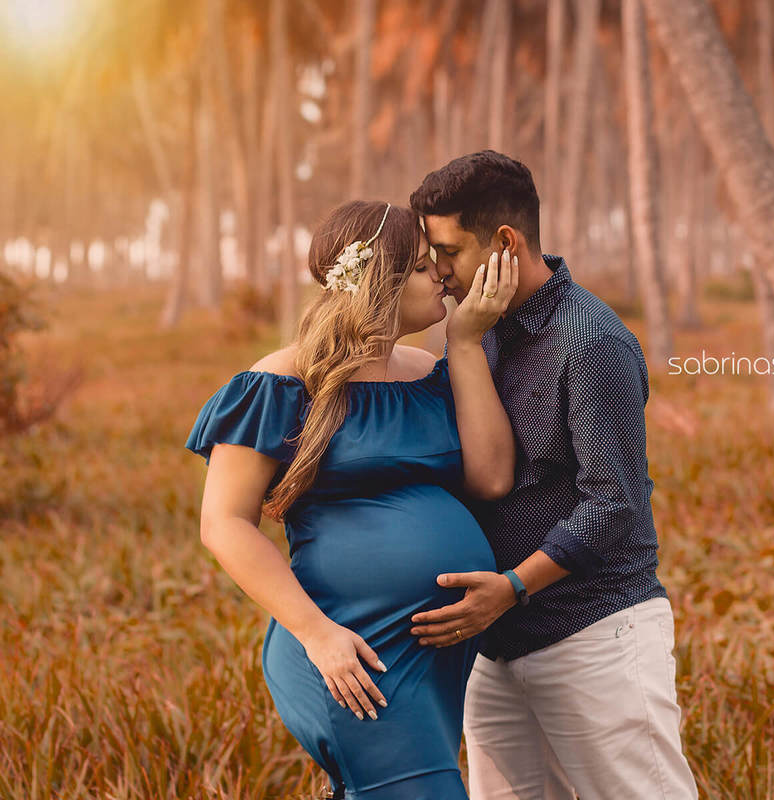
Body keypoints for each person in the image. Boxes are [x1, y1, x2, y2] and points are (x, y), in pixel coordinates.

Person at [183, 199, 518, 799]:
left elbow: (491, 478)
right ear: (374, 282)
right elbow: (224, 524)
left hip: (431, 654)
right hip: (348, 648)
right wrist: (318, 634)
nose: (442, 275)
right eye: (421, 266)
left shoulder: (430, 372)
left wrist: (465, 345)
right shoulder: (283, 382)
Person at [409, 150, 699, 799]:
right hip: (496, 648)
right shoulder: (475, 333)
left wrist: (511, 586)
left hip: (594, 636)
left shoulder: (592, 341)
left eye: (449, 251)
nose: (439, 271)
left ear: (506, 242)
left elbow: (612, 503)